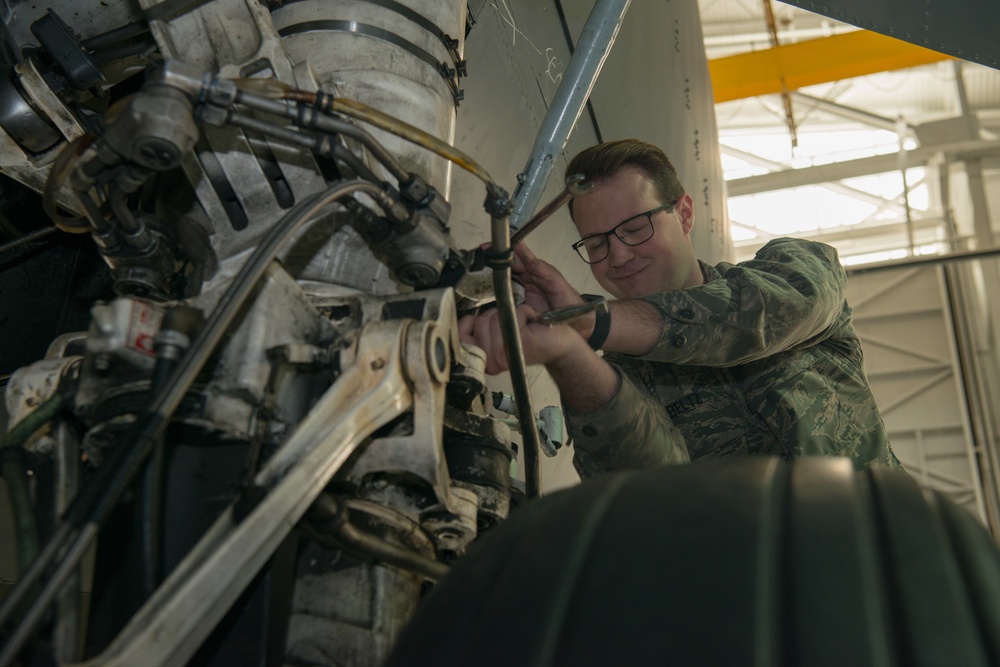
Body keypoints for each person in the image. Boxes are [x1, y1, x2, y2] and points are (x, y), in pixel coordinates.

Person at [459, 138, 902, 478]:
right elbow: (641, 486)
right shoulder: (620, 378)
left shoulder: (796, 269)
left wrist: (592, 321)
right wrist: (566, 350)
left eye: (634, 227)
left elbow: (754, 318)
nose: (618, 256)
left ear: (684, 214)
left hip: (889, 563)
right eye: (596, 243)